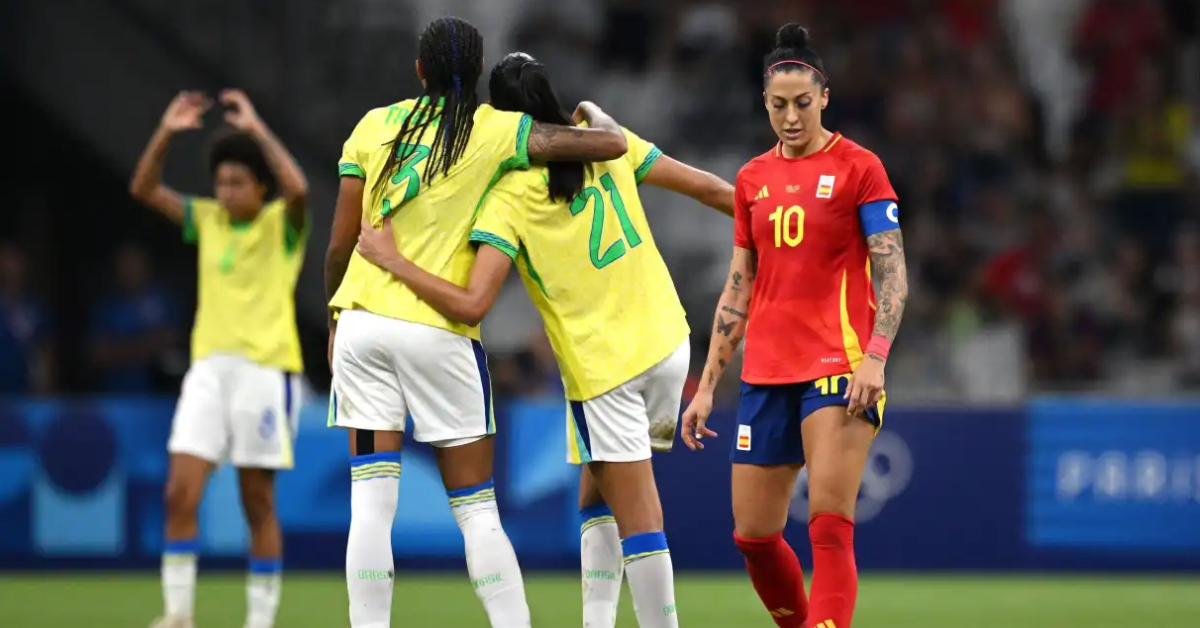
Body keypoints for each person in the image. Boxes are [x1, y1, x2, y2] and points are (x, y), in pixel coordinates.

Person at [352, 52, 734, 628]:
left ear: (505, 122)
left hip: (606, 368)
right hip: (668, 349)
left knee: (638, 512)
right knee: (596, 490)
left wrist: (392, 260)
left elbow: (474, 301)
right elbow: (709, 189)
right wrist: (778, 227)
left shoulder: (510, 196)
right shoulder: (607, 138)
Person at [322, 19, 628, 628]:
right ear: (480, 70)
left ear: (418, 69)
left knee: (371, 504)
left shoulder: (372, 126)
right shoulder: (496, 129)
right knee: (476, 507)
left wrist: (336, 314)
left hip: (361, 324)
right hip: (437, 328)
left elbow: (338, 247)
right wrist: (595, 114)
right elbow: (607, 146)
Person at [680, 24, 909, 628]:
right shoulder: (752, 179)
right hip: (765, 373)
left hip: (839, 367)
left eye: (802, 103)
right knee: (753, 537)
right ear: (764, 102)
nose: (790, 116)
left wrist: (877, 356)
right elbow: (738, 286)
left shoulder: (861, 168)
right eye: (778, 104)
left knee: (828, 527)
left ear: (824, 97)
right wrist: (707, 384)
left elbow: (892, 276)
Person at [129, 89, 309, 628]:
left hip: (264, 369)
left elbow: (298, 186)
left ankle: (259, 621)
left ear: (260, 187)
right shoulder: (205, 219)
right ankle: (179, 614)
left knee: (257, 502)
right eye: (221, 181)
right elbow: (142, 187)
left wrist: (256, 129)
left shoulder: (283, 226)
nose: (225, 192)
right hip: (207, 370)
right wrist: (165, 130)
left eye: (237, 182)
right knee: (178, 492)